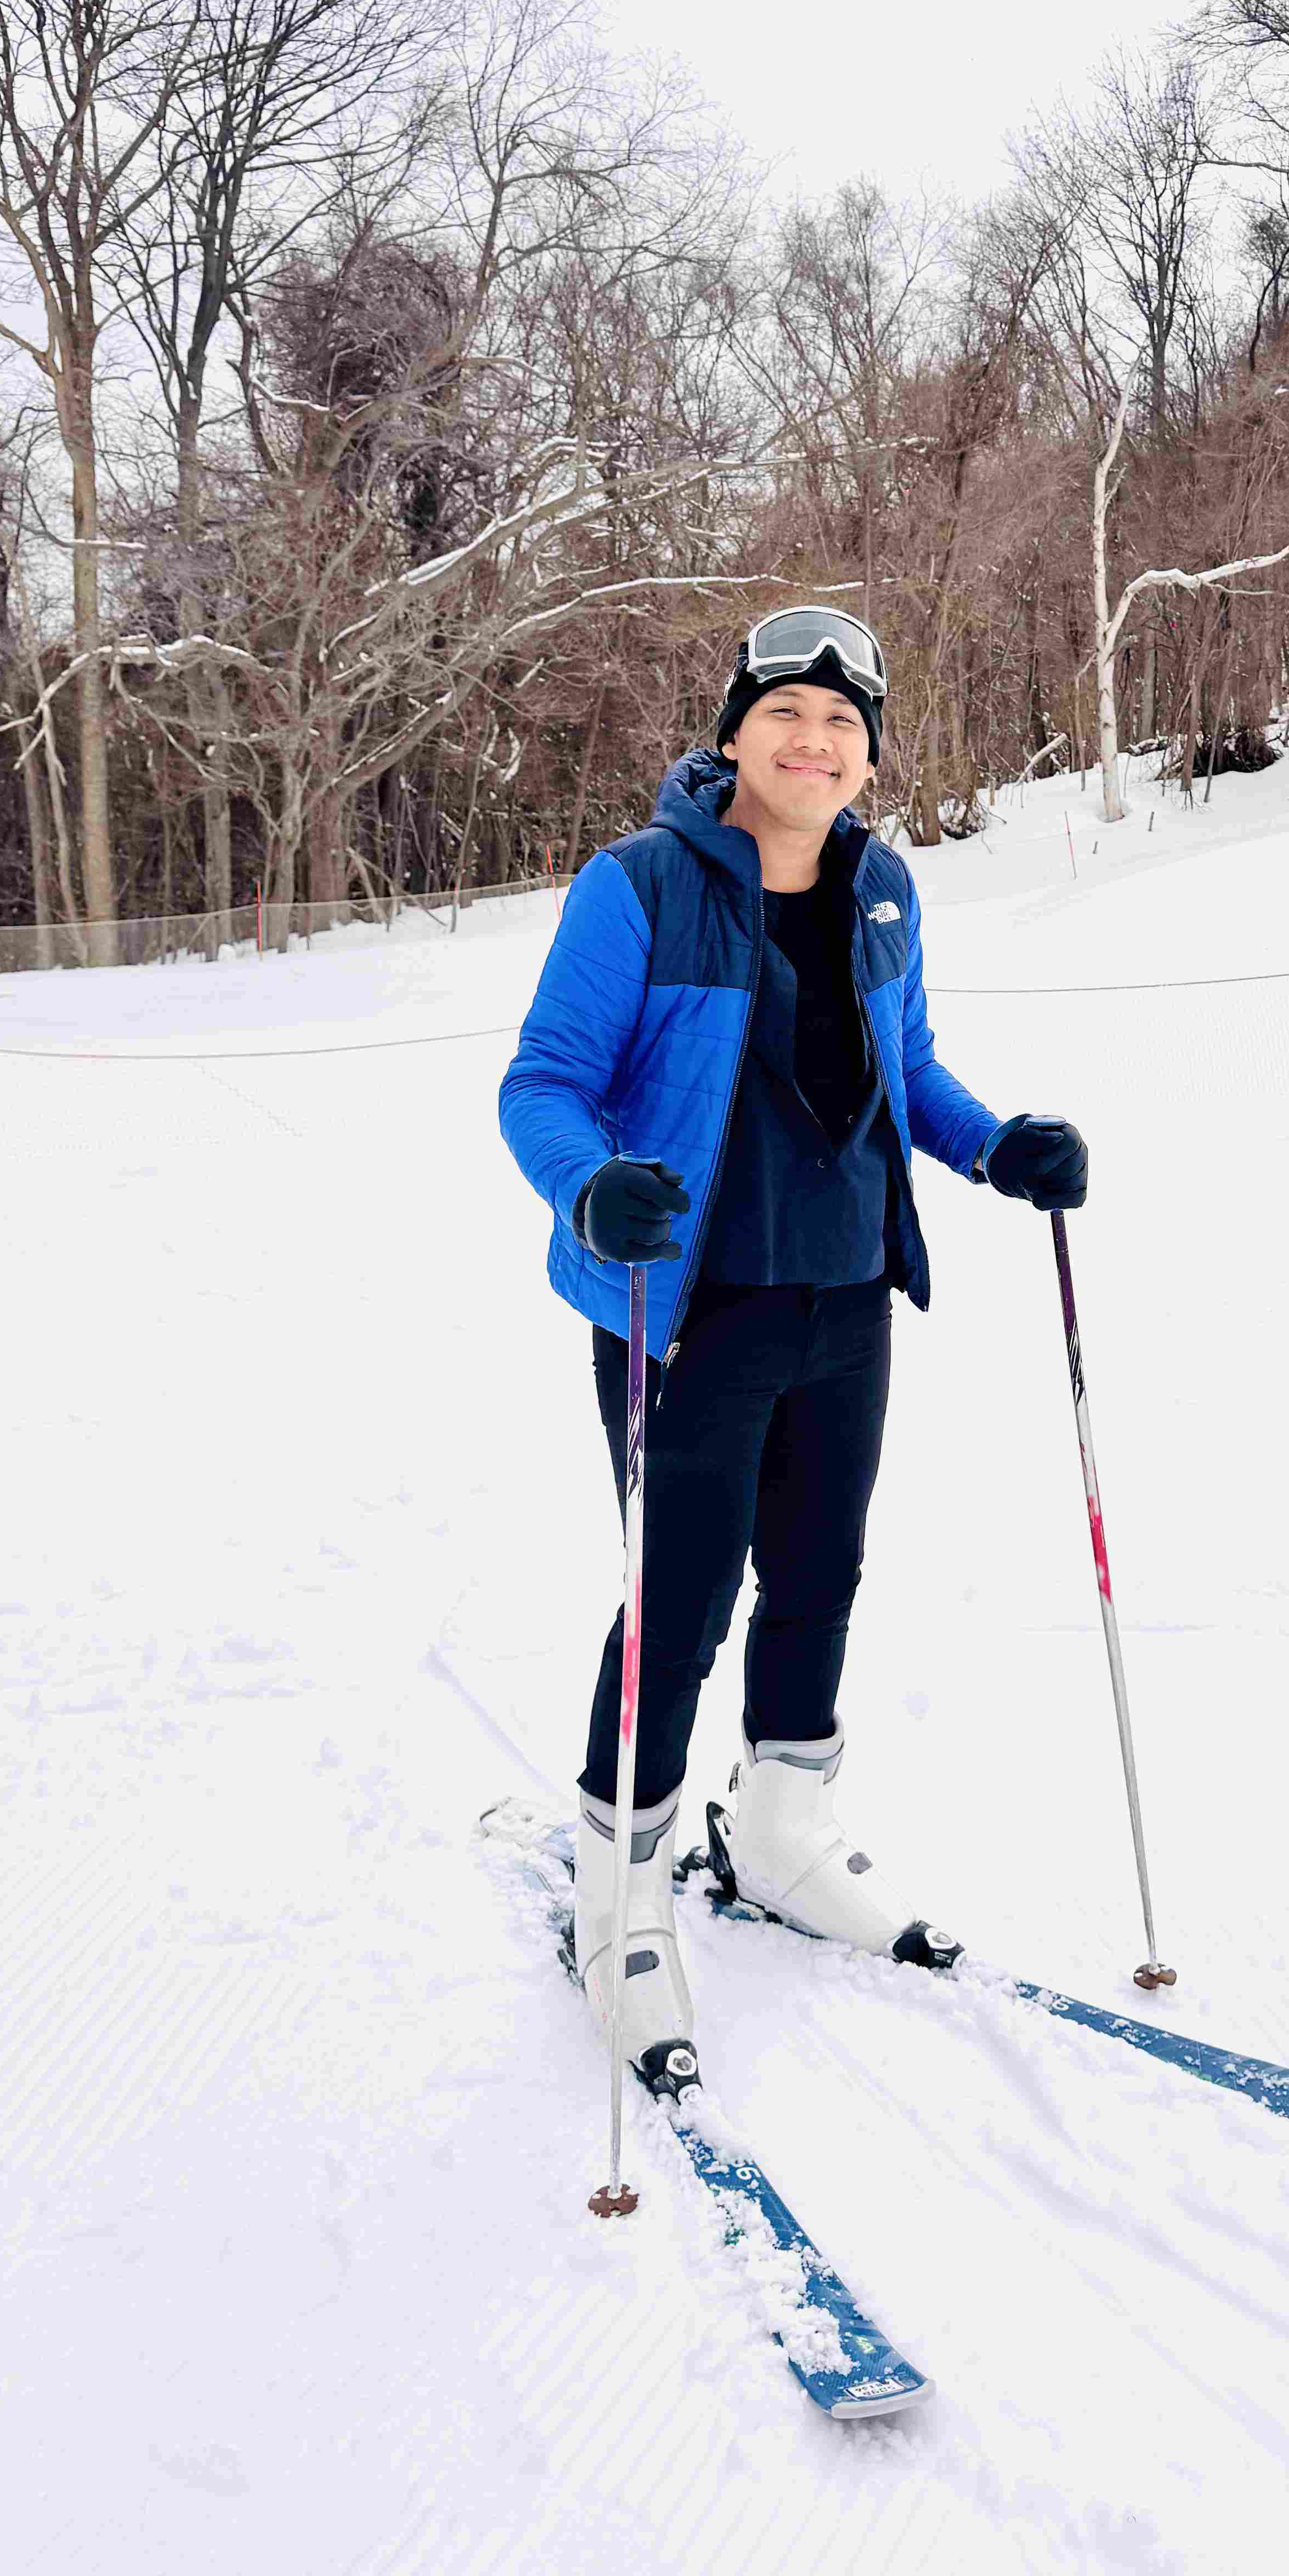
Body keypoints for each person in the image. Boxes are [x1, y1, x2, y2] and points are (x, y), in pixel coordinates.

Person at [498, 607, 1088, 2074]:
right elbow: (544, 1083)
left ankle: (781, 1829)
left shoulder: (883, 890)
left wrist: (995, 1148)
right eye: (785, 715)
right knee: (681, 1600)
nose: (812, 741)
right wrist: (594, 1185)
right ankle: (622, 1890)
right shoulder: (636, 888)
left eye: (841, 725)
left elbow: (912, 1070)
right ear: (731, 737)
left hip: (843, 1295)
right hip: (684, 1309)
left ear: (870, 761)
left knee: (819, 1574)